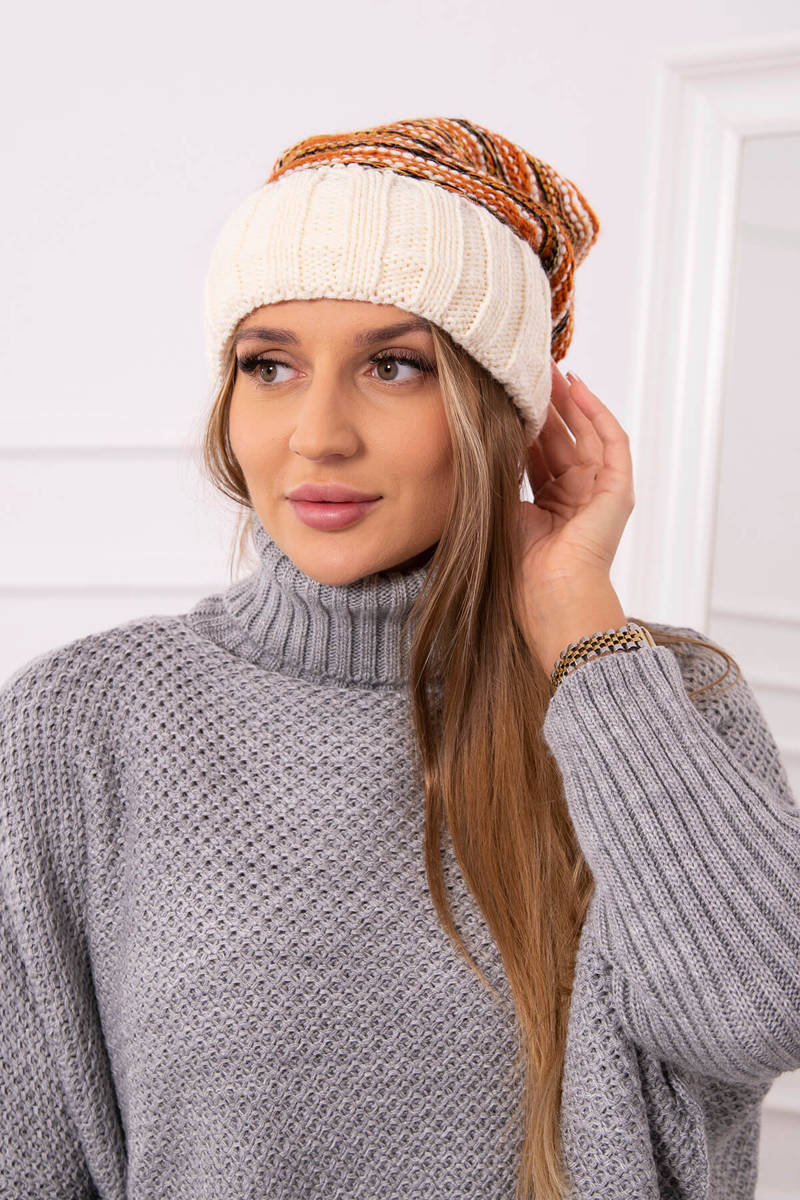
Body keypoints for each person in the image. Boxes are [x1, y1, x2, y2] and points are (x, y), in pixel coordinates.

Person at [1, 116, 798, 1200]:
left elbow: (760, 1013)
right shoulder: (81, 720)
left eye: (393, 365)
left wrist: (581, 630)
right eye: (270, 366)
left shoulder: (654, 696)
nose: (318, 433)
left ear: (498, 408)